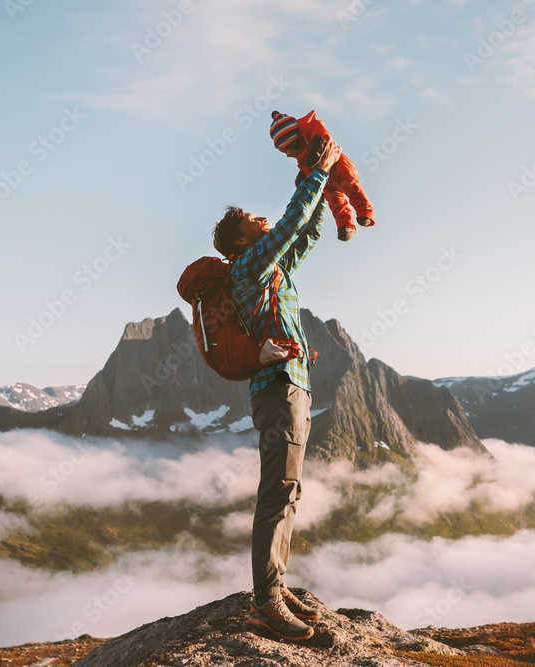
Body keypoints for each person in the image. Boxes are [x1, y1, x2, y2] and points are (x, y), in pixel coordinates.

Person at [210, 140, 343, 642]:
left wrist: (314, 176)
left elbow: (304, 234)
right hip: (279, 391)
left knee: (289, 492)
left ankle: (276, 585)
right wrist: (316, 177)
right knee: (276, 493)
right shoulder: (248, 269)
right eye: (250, 218)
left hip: (294, 387)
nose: (259, 218)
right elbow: (288, 225)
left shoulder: (272, 270)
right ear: (240, 241)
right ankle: (266, 603)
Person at [270, 110, 375, 242]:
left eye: (285, 150)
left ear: (291, 141)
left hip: (339, 167)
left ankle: (365, 212)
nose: (287, 154)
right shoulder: (300, 155)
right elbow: (304, 167)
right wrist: (303, 179)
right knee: (335, 202)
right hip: (325, 179)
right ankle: (345, 226)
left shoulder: (310, 130)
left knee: (353, 188)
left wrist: (315, 152)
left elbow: (323, 137)